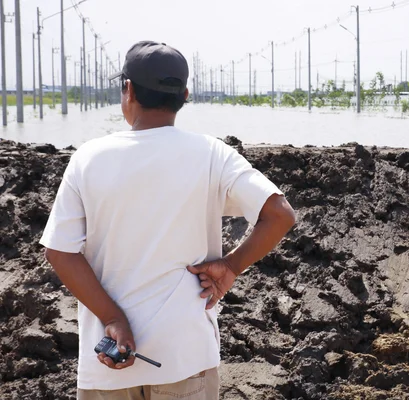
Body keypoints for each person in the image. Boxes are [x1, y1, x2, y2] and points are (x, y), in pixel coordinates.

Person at [40, 40, 295, 400]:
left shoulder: (88, 158)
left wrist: (113, 318)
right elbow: (279, 215)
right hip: (185, 357)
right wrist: (232, 265)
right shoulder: (212, 154)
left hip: (108, 366)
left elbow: (60, 252)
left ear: (127, 89)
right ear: (185, 94)